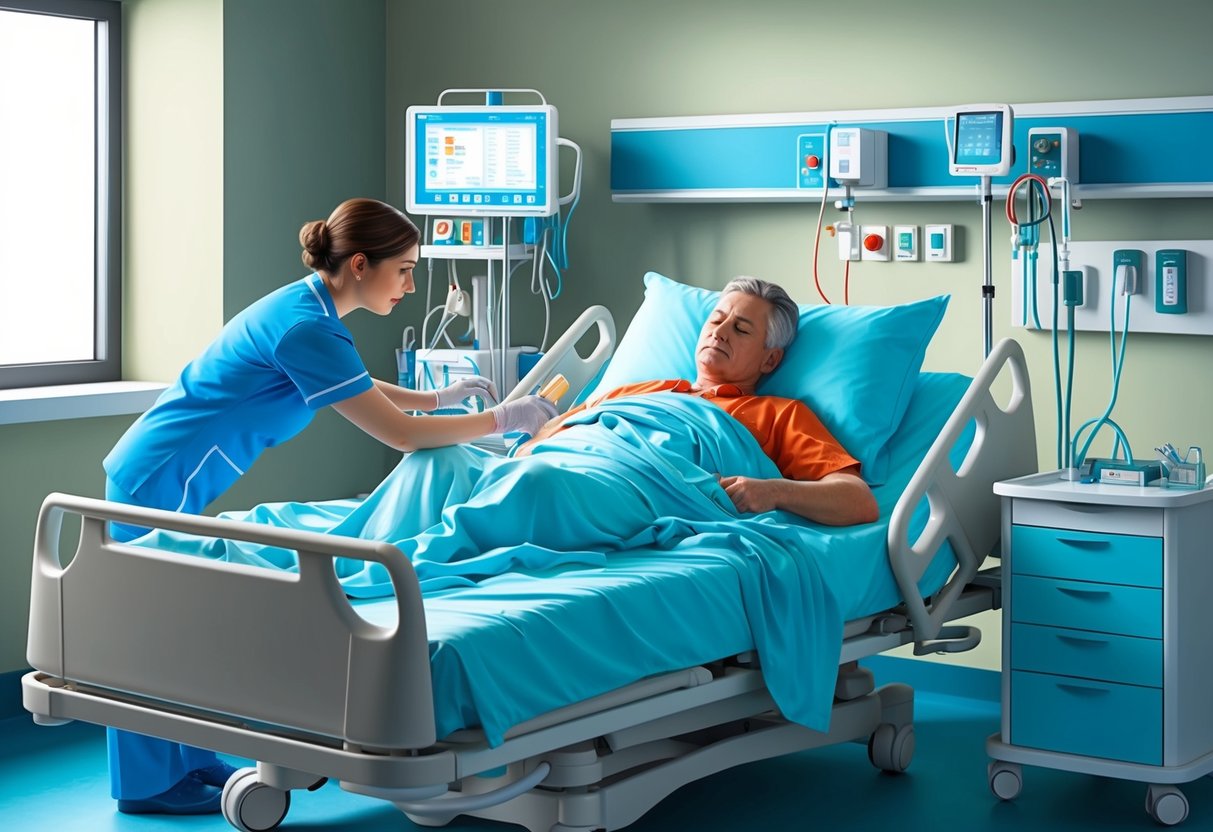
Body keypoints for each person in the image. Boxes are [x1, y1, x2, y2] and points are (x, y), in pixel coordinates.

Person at [100, 197, 556, 815]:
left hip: (171, 469)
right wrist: (498, 419)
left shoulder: (312, 308)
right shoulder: (305, 325)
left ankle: (188, 757)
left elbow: (353, 387)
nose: (411, 285)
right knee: (148, 619)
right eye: (405, 270)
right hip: (161, 473)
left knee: (165, 609)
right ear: (362, 265)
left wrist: (435, 395)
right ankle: (149, 785)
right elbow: (398, 436)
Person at [522, 276, 878, 526]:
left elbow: (857, 500)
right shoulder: (640, 391)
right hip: (564, 467)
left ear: (770, 360)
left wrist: (773, 492)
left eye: (741, 329)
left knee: (537, 488)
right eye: (716, 320)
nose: (719, 333)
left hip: (618, 489)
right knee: (468, 463)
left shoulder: (779, 414)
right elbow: (548, 437)